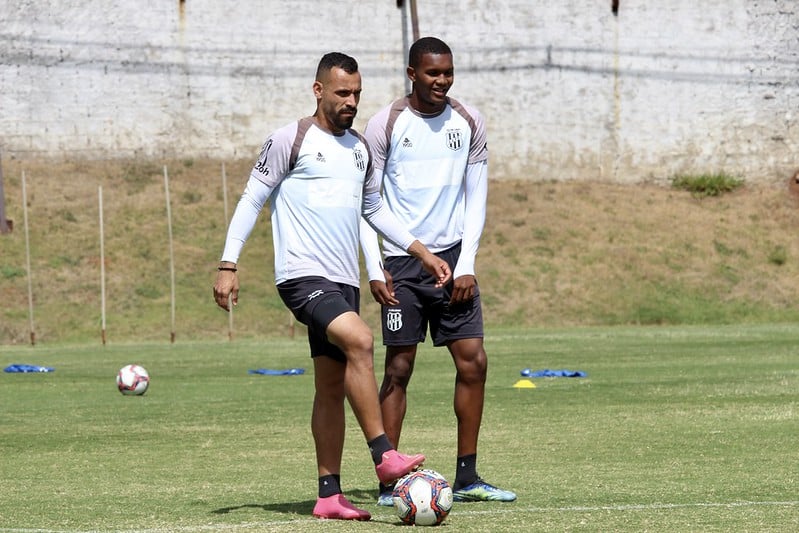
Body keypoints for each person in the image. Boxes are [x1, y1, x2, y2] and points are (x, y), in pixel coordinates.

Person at [213, 52, 452, 521]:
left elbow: (375, 210)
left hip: (343, 282)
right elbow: (252, 198)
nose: (351, 102)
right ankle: (385, 455)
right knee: (362, 340)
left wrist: (421, 252)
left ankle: (328, 495)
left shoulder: (360, 148)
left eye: (357, 94)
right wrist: (228, 263)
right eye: (343, 93)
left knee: (328, 387)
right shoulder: (291, 139)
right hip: (302, 277)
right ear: (319, 90)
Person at [360, 37, 517, 505]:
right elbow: (366, 204)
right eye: (432, 73)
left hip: (453, 263)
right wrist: (376, 267)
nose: (442, 81)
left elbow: (477, 196)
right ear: (412, 73)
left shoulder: (469, 121)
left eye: (448, 72)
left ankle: (467, 477)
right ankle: (390, 482)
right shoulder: (384, 124)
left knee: (475, 361)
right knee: (399, 367)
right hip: (401, 265)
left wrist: (466, 263)